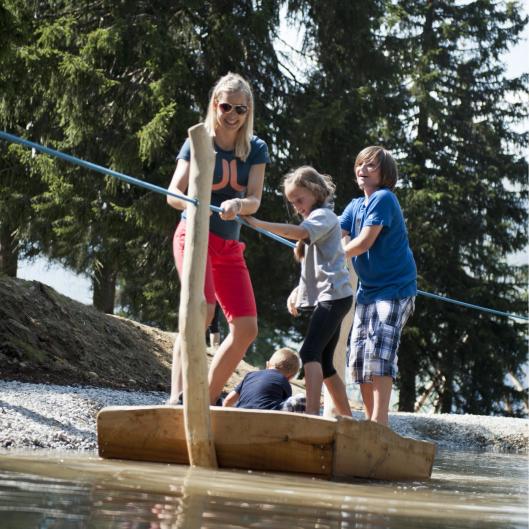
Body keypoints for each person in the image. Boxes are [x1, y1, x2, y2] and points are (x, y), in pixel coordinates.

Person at [166, 72, 270, 405]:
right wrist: (198, 207)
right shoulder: (198, 138)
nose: (232, 115)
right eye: (226, 106)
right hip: (193, 237)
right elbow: (173, 193)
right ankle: (177, 398)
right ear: (215, 104)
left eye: (240, 109)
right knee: (201, 310)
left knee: (246, 328)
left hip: (229, 246)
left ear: (248, 111)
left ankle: (203, 400)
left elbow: (254, 199)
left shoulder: (255, 149)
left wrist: (238, 204)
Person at [243, 166, 354, 416]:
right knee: (324, 363)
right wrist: (298, 293)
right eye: (292, 202)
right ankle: (347, 418)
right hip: (335, 296)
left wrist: (259, 223)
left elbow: (299, 233)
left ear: (315, 192)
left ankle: (312, 414)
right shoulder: (316, 219)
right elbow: (316, 268)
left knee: (309, 352)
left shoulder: (323, 216)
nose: (297, 206)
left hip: (334, 297)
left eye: (299, 200)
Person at [340, 146, 417, 427]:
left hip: (395, 289)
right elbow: (335, 233)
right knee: (359, 357)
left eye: (370, 166)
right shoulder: (354, 205)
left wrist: (336, 252)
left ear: (385, 174)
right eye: (360, 164)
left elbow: (362, 243)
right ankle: (370, 422)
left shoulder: (384, 198)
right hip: (368, 291)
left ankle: (379, 422)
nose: (363, 169)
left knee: (380, 351)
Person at [222, 347, 301, 410]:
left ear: (267, 364)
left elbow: (227, 401)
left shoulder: (250, 375)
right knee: (297, 400)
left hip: (242, 418)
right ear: (290, 377)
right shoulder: (284, 382)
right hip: (266, 421)